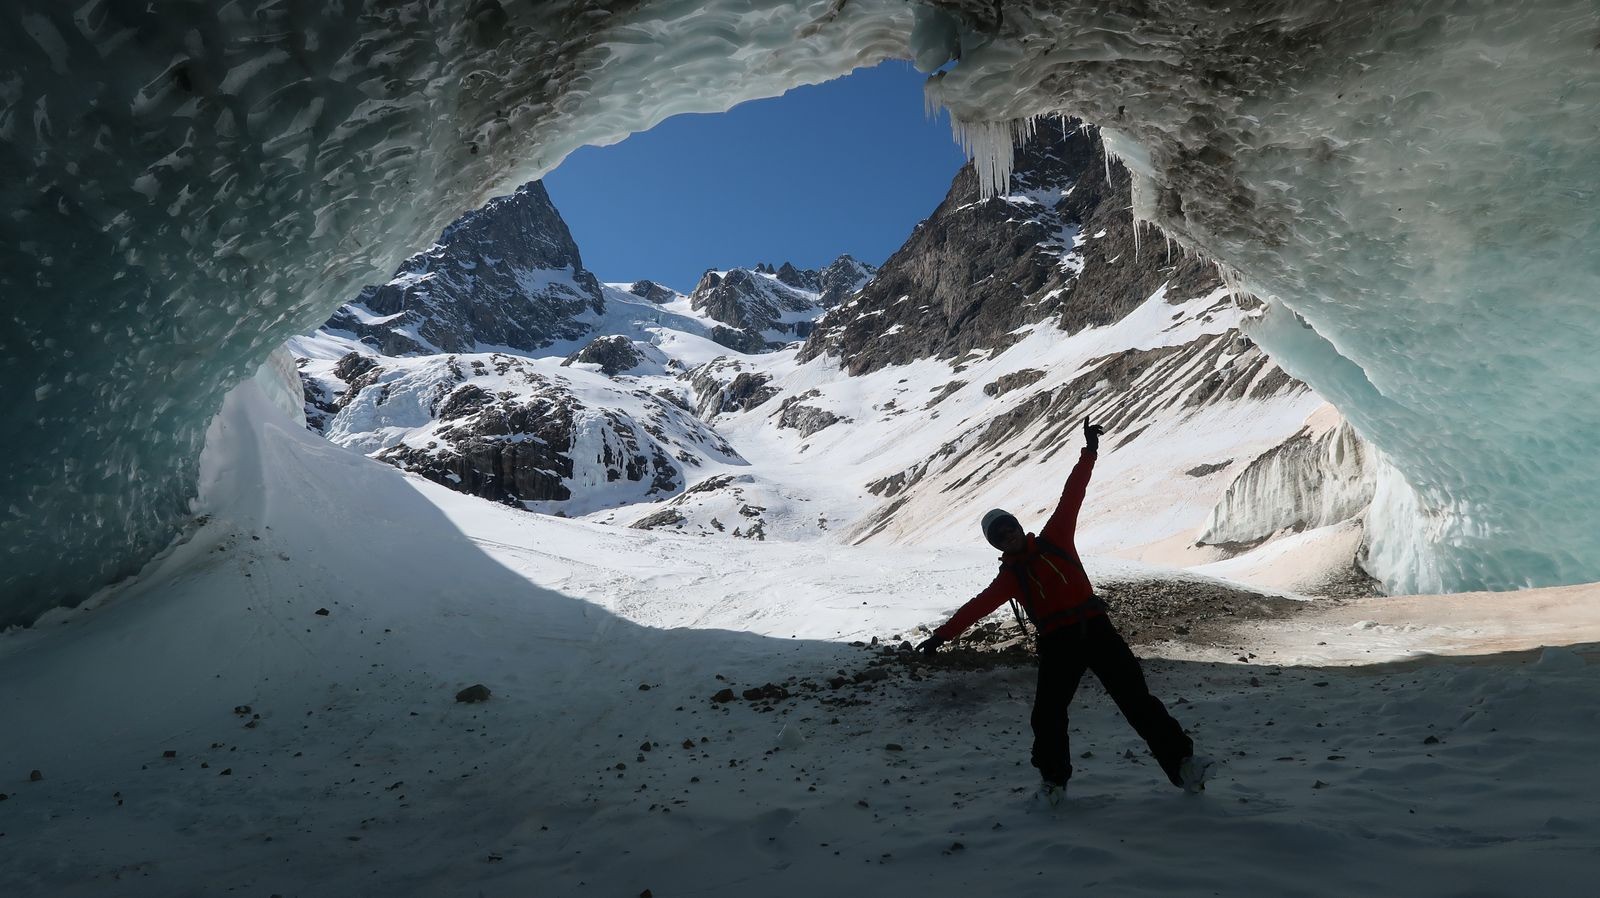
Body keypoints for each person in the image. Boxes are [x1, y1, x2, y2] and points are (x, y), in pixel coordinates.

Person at [916, 417, 1210, 804]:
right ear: (996, 545)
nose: (1008, 535)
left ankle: (1184, 765)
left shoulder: (1055, 538)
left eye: (1009, 527)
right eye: (999, 536)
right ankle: (1054, 782)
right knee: (1048, 714)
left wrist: (1089, 452)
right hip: (1059, 643)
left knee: (1136, 700)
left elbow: (1073, 494)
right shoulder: (1010, 578)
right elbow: (977, 608)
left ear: (1019, 526)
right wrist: (941, 636)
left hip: (1096, 629)